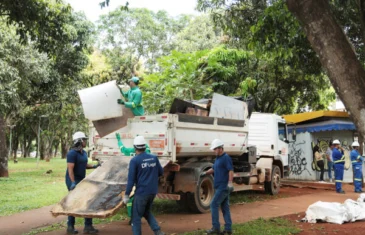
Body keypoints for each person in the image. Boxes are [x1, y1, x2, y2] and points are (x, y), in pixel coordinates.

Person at [123, 136, 165, 235]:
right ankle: (158, 231)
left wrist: (126, 195)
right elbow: (161, 172)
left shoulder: (134, 160)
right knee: (146, 211)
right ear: (145, 147)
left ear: (135, 147)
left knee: (136, 216)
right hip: (153, 192)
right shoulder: (154, 158)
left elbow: (131, 180)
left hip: (142, 193)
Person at [65, 131, 100, 234]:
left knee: (88, 201)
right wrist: (72, 182)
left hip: (82, 179)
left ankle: (88, 226)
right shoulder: (72, 153)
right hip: (72, 180)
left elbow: (84, 165)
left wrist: (94, 166)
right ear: (79, 141)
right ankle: (70, 226)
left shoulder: (83, 153)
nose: (85, 141)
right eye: (84, 140)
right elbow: (70, 169)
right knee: (73, 202)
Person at [200, 139, 234, 235]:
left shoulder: (226, 158)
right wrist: (205, 173)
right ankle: (228, 228)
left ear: (220, 148)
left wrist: (230, 183)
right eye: (214, 149)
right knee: (225, 207)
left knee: (213, 205)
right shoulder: (218, 158)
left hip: (223, 187)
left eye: (215, 149)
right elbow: (214, 168)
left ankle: (216, 228)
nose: (214, 151)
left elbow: (230, 170)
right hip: (219, 186)